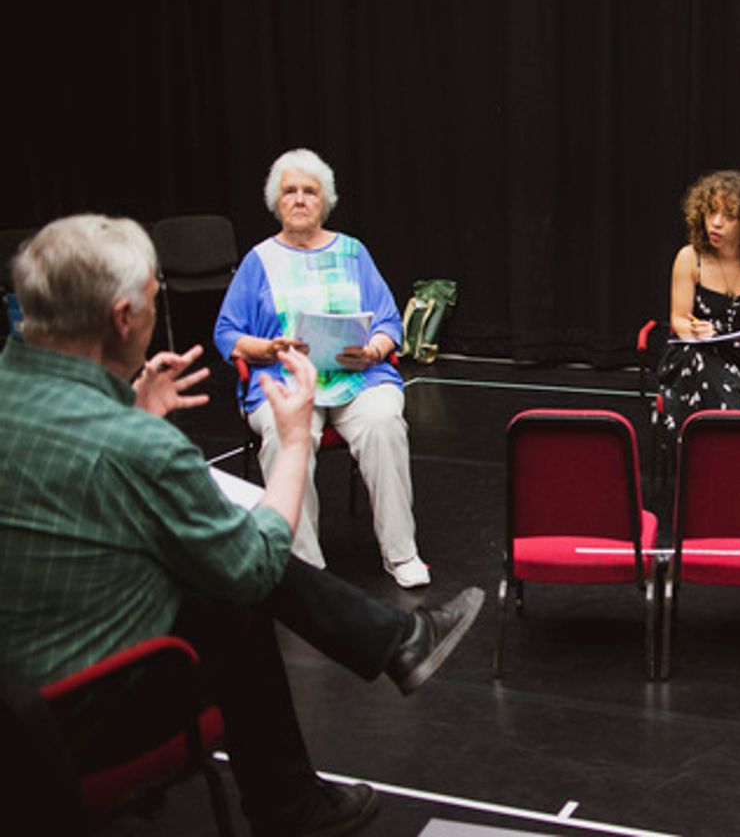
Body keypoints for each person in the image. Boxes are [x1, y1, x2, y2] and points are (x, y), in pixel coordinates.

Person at [0, 214, 484, 835]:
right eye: (152, 299)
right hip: (73, 719)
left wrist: (130, 409)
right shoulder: (135, 448)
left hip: (15, 693)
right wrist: (292, 442)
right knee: (233, 591)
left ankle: (390, 653)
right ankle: (298, 799)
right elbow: (253, 566)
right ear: (123, 319)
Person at [216, 148, 430, 588]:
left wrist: (372, 350)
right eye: (289, 191)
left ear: (324, 201)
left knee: (383, 423)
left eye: (309, 191)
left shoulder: (353, 252)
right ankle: (307, 571)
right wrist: (270, 348)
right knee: (283, 433)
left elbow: (389, 322)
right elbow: (227, 334)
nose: (298, 199)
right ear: (277, 201)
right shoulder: (258, 261)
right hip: (285, 379)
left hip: (359, 376)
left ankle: (402, 554)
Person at [654, 169, 740, 448]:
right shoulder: (689, 257)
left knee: (708, 370)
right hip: (696, 352)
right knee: (699, 360)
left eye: (728, 217)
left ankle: (710, 449)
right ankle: (733, 443)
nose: (715, 224)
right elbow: (678, 320)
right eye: (710, 213)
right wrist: (694, 330)